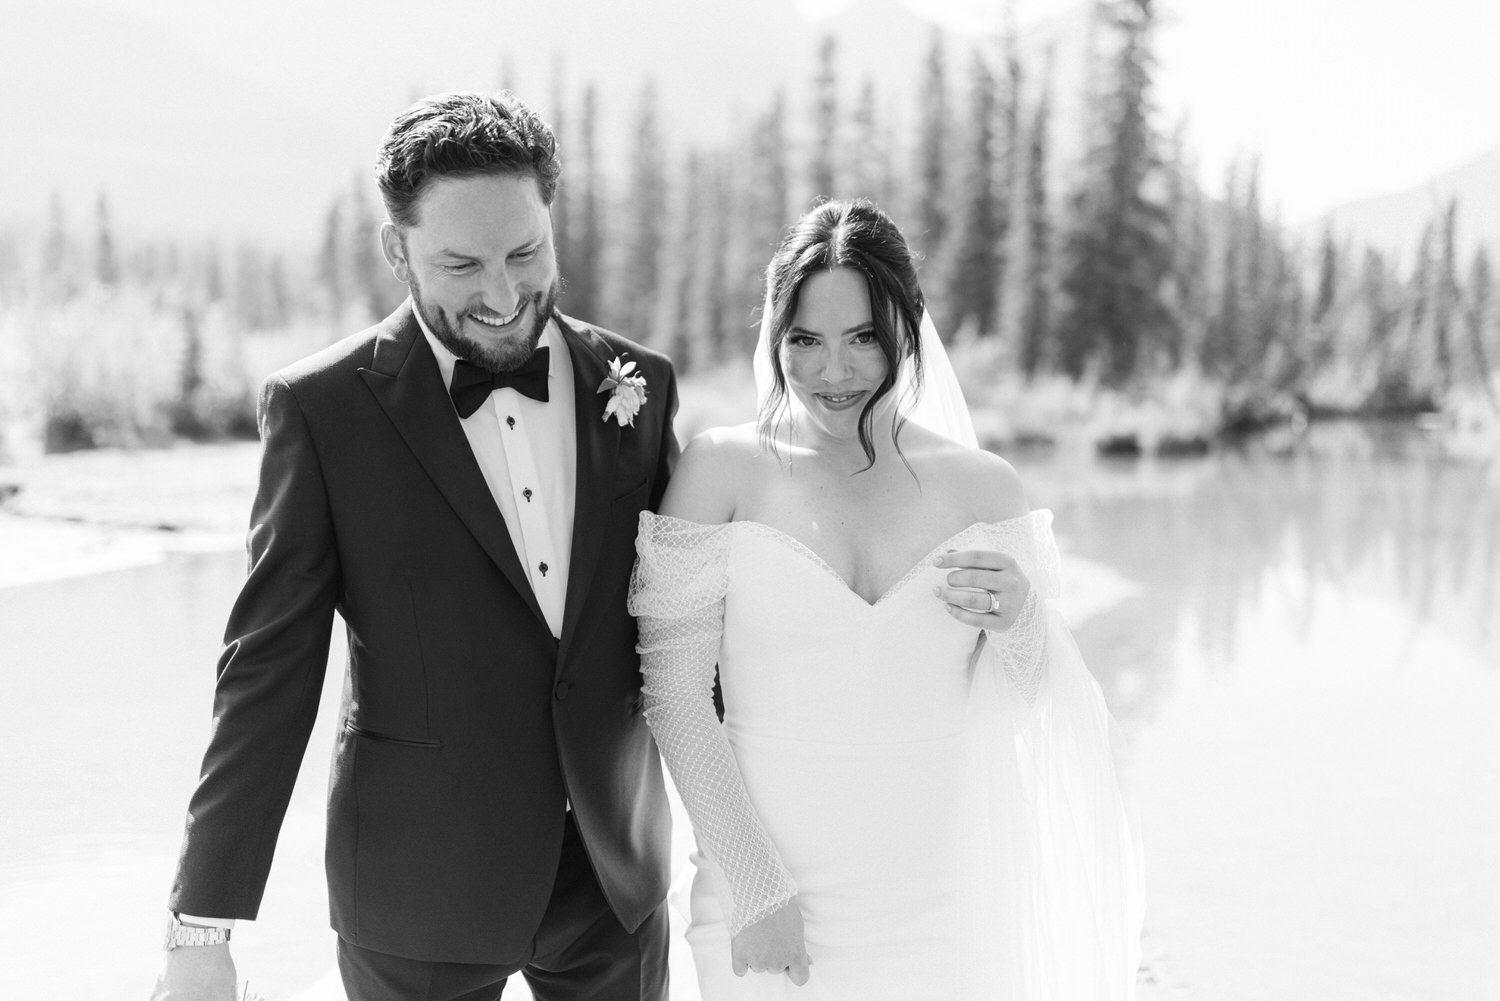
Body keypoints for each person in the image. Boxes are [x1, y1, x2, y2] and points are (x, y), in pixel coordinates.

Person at [150, 91, 679, 1001]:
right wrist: (202, 927)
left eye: (526, 252)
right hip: (415, 890)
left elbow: (694, 630)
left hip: (612, 884)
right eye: (462, 263)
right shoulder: (322, 412)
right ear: (397, 249)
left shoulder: (640, 388)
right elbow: (267, 673)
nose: (505, 295)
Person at [629, 199, 1144, 998]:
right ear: (775, 336)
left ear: (907, 328)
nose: (833, 372)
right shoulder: (720, 472)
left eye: (862, 337)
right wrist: (757, 887)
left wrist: (1023, 623)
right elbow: (674, 693)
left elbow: (1036, 694)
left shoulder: (982, 486)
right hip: (764, 891)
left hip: (945, 906)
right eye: (805, 340)